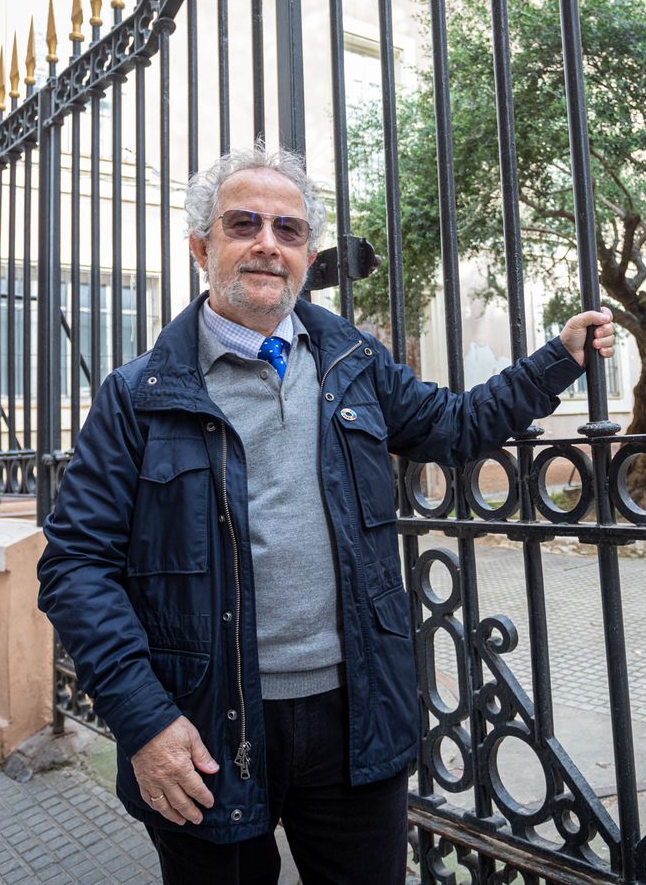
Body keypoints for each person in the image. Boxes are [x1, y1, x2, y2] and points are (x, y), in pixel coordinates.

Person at [37, 148, 615, 884]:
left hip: (354, 720)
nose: (267, 243)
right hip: (208, 729)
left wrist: (556, 359)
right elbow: (75, 566)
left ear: (307, 254)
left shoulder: (351, 361)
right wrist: (144, 720)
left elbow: (456, 425)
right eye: (243, 223)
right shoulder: (136, 395)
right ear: (200, 247)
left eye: (289, 228)